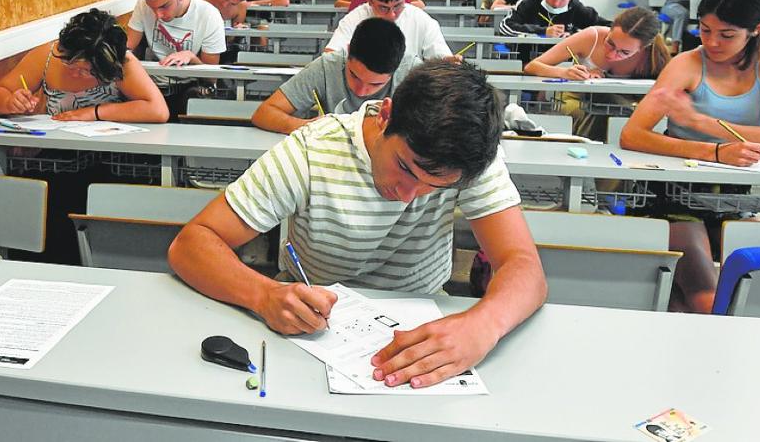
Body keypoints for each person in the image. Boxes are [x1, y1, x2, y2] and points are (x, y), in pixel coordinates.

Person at [168, 61, 547, 389]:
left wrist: (483, 325)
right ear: (385, 116)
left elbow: (523, 266)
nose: (408, 195)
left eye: (434, 188)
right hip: (310, 325)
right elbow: (191, 244)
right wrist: (263, 294)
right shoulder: (313, 149)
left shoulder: (467, 155)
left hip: (423, 317)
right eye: (404, 168)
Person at [620, 0, 760, 313]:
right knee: (708, 299)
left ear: (757, 29)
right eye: (704, 29)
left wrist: (699, 123)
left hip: (736, 195)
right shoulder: (686, 63)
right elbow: (633, 135)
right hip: (672, 195)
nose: (713, 42)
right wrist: (715, 152)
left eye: (727, 34)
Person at [0, 8, 168, 123]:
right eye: (71, 65)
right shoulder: (48, 56)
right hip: (57, 156)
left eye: (87, 72)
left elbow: (158, 110)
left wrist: (94, 113)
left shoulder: (122, 63)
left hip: (113, 158)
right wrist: (9, 102)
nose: (76, 74)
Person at [524, 6, 671, 140]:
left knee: (615, 112)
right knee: (600, 111)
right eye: (610, 43)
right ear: (610, 28)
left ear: (643, 48)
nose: (612, 55)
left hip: (629, 108)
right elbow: (532, 66)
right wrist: (565, 72)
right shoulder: (591, 36)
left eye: (625, 52)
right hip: (579, 101)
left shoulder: (654, 55)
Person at [252, 18, 417, 134]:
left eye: (375, 85)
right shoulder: (327, 66)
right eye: (354, 76)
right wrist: (306, 126)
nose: (361, 92)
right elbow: (264, 113)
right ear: (347, 51)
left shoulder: (413, 74)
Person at [327, 0, 451, 60]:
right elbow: (330, 56)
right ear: (369, 0)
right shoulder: (354, 19)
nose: (392, 15)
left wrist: (449, 62)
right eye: (383, 8)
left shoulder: (421, 20)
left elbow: (441, 56)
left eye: (397, 6)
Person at [126, 0, 226, 66]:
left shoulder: (210, 16)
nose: (158, 15)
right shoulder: (143, 4)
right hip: (151, 76)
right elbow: (128, 47)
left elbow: (211, 77)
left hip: (191, 79)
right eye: (152, 8)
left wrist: (192, 58)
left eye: (164, 6)